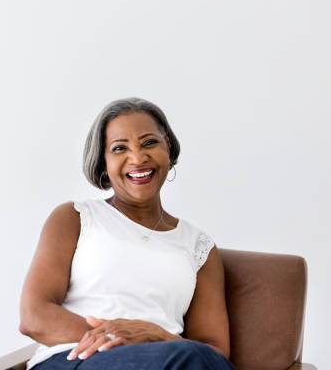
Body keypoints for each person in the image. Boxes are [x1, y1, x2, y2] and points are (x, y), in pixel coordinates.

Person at [18, 98, 237, 370]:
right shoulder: (75, 218)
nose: (137, 158)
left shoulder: (198, 246)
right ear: (104, 162)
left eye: (149, 143)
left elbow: (214, 351)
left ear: (167, 147)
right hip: (75, 357)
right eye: (119, 148)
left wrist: (155, 336)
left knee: (199, 360)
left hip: (167, 361)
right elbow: (33, 316)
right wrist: (116, 337)